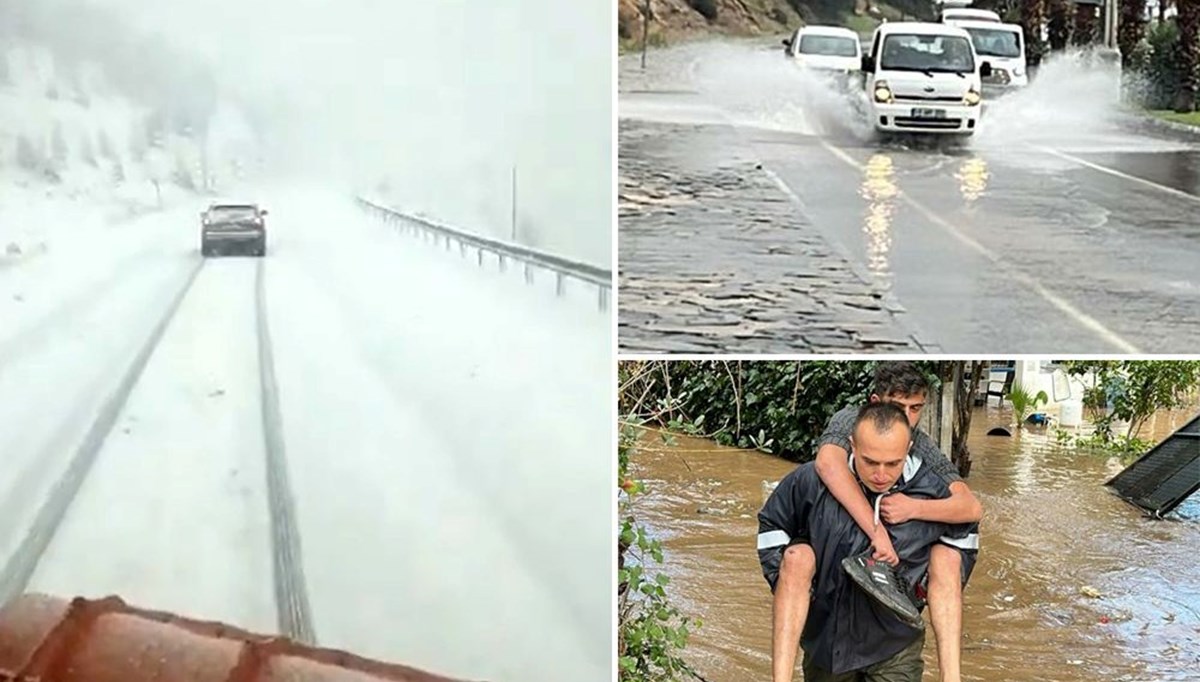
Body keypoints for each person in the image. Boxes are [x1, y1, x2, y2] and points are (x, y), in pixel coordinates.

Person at [769, 362, 983, 682]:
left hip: (893, 637)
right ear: (874, 401)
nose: (908, 418)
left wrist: (913, 509)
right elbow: (828, 463)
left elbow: (970, 507)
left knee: (947, 557)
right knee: (798, 558)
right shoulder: (848, 421)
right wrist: (875, 528)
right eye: (898, 407)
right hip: (831, 635)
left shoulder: (922, 449)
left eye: (916, 408)